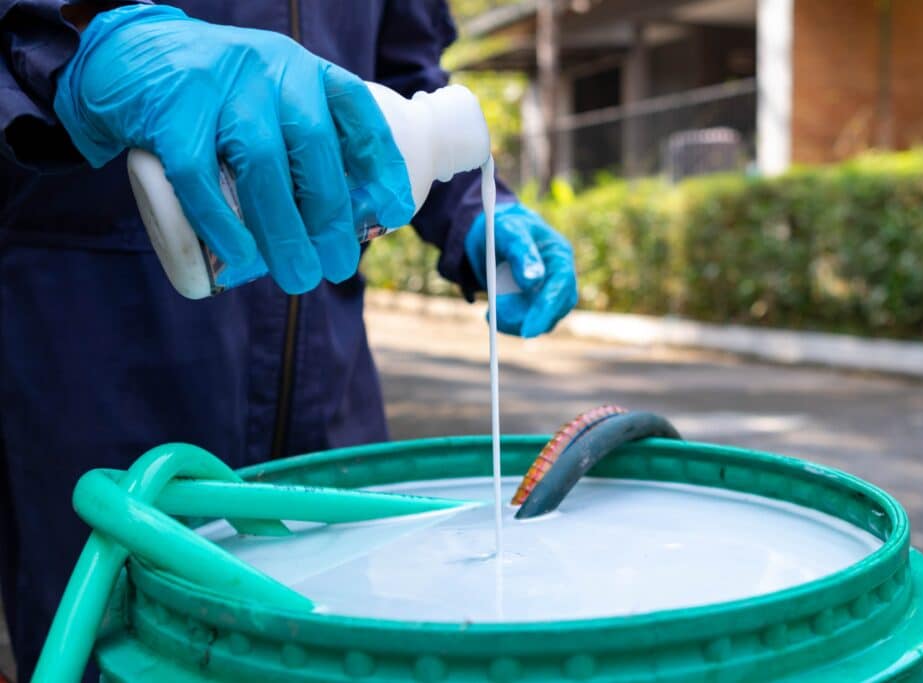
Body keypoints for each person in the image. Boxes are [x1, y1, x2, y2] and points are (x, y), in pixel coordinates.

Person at [0, 1, 578, 678]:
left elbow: (405, 79)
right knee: (123, 641)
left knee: (349, 638)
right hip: (95, 342)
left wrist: (478, 212)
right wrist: (70, 45)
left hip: (329, 375)